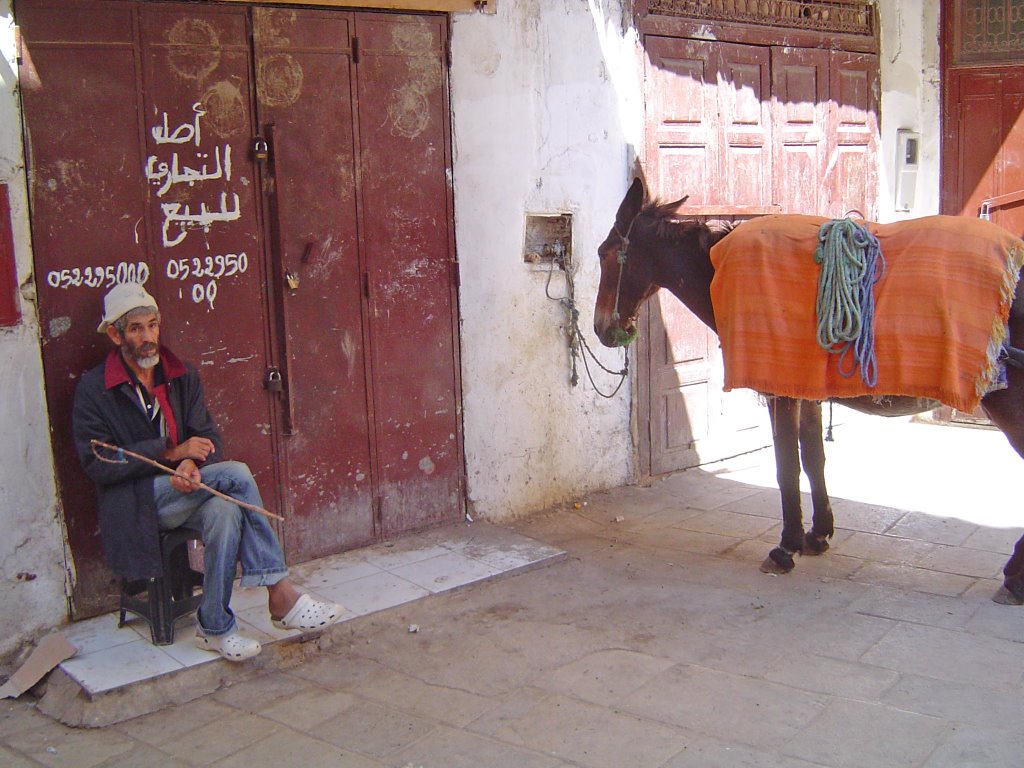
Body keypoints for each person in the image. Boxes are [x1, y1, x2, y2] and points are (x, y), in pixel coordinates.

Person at [72, 282, 343, 661]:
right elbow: (97, 461)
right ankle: (280, 592)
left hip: (187, 491)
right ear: (116, 335)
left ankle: (214, 627)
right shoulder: (94, 390)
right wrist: (170, 453)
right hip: (138, 503)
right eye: (135, 329)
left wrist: (189, 463)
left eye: (152, 325)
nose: (147, 337)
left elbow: (207, 435)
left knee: (225, 510)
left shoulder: (180, 375)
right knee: (236, 474)